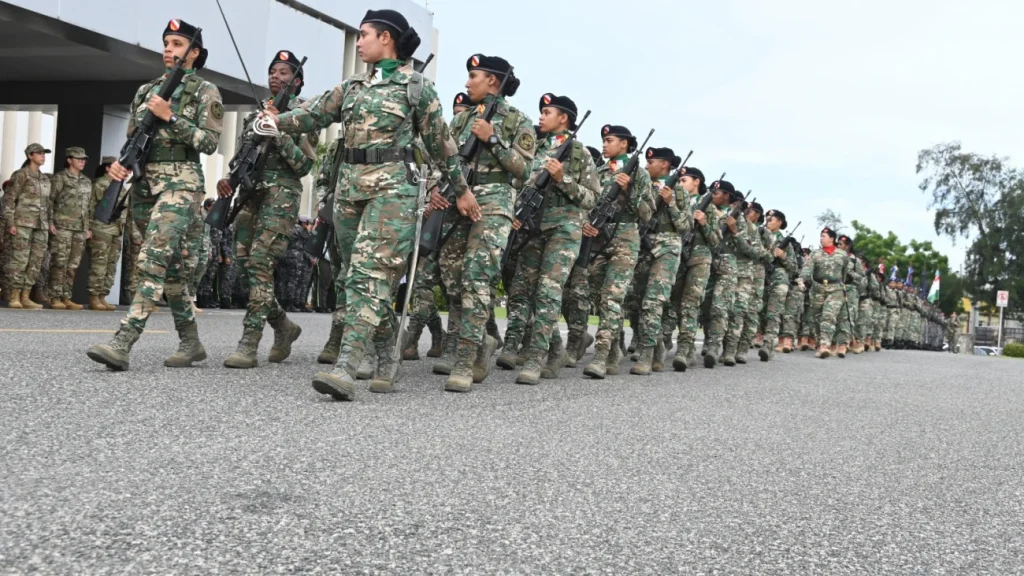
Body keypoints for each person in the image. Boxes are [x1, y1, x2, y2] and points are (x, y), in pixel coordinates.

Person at [267, 9, 473, 401]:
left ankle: (345, 366)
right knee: (351, 275)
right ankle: (386, 351)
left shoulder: (416, 88)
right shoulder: (353, 86)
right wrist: (276, 122)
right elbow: (312, 115)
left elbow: (441, 145)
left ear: (386, 39)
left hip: (394, 189)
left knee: (369, 274)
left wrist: (460, 189)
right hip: (350, 188)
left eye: (364, 35)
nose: (359, 42)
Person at [87, 19, 223, 371]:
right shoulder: (146, 90)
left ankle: (123, 341)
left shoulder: (205, 91)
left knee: (153, 259)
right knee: (172, 269)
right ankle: (191, 342)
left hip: (181, 184)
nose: (168, 49)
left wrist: (171, 116)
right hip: (145, 185)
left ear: (194, 52)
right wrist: (120, 166)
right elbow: (134, 141)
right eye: (166, 43)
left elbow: (209, 143)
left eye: (177, 44)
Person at [436, 54, 533, 392]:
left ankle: (464, 363)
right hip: (457, 198)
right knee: (452, 278)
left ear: (493, 80)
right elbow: (444, 158)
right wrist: (438, 188)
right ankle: (481, 343)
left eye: (473, 76)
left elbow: (524, 170)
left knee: (477, 277)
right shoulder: (461, 121)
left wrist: (493, 139)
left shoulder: (518, 120)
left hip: (493, 203)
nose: (466, 83)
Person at [220, 50, 318, 368]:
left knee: (261, 264)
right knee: (246, 266)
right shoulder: (255, 115)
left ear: (297, 81)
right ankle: (283, 326)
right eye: (273, 71)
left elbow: (303, 165)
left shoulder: (302, 117)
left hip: (281, 195)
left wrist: (279, 135)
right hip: (251, 196)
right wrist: (228, 180)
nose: (276, 76)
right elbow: (242, 157)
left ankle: (249, 343)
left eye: (284, 72)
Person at [501, 93, 599, 384]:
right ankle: (556, 348)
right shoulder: (537, 147)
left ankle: (536, 357)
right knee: (521, 288)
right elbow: (519, 182)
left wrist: (562, 179)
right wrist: (516, 210)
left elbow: (592, 197)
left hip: (565, 228)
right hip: (533, 226)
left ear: (564, 118)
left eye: (547, 112)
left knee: (548, 290)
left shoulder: (580, 153)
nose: (541, 116)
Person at [581, 124, 653, 379]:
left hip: (625, 238)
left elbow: (646, 214)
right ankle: (613, 350)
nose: (604, 144)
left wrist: (629, 190)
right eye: (603, 139)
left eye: (610, 140)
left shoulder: (640, 174)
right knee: (601, 297)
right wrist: (585, 224)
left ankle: (601, 356)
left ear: (624, 144)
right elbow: (586, 201)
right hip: (599, 239)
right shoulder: (597, 170)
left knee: (612, 297)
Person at [629, 148, 690, 375]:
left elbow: (685, 226)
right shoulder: (643, 184)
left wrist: (671, 203)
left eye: (651, 162)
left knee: (654, 301)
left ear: (665, 165)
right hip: (644, 245)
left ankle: (646, 355)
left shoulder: (679, 192)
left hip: (668, 247)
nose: (647, 166)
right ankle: (656, 346)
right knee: (636, 300)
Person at [3, 143, 53, 310]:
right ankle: (14, 295)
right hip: (22, 223)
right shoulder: (21, 175)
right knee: (20, 260)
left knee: (35, 261)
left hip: (41, 225)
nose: (43, 156)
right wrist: (10, 222)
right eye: (39, 153)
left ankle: (26, 295)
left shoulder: (45, 178)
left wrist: (49, 223)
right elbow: (10, 199)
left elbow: (48, 204)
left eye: (44, 153)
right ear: (30, 155)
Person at [700, 183, 744, 368]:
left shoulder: (738, 218)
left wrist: (735, 231)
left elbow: (751, 249)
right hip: (707, 261)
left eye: (716, 193)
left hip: (727, 265)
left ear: (726, 195)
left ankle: (714, 347)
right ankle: (709, 340)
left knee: (720, 307)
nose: (712, 195)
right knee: (705, 306)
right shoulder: (707, 211)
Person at [47, 147, 93, 310]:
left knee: (73, 265)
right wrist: (50, 222)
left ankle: (66, 296)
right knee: (59, 262)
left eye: (84, 159)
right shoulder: (60, 178)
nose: (82, 161)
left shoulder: (86, 181)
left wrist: (87, 227)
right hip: (62, 227)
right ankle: (54, 296)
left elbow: (88, 207)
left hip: (79, 229)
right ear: (69, 160)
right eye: (79, 158)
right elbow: (50, 201)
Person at [796, 227, 851, 359]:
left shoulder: (842, 255)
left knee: (828, 316)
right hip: (818, 289)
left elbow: (844, 274)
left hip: (835, 289)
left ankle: (825, 345)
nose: (821, 238)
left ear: (832, 238)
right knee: (817, 318)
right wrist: (802, 279)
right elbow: (808, 269)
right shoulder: (815, 254)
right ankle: (820, 344)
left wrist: (840, 284)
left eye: (824, 236)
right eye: (820, 236)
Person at [758, 209, 797, 361]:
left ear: (779, 222)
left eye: (771, 219)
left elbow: (793, 268)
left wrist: (783, 256)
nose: (767, 221)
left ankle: (768, 346)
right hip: (761, 278)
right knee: (758, 311)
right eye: (766, 218)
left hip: (779, 279)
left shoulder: (786, 243)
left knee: (773, 313)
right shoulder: (760, 236)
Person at [87, 156, 125, 311]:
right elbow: (90, 207)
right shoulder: (100, 184)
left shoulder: (119, 185)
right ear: (108, 168)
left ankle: (103, 296)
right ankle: (94, 297)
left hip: (116, 230)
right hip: (101, 229)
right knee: (99, 265)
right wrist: (88, 227)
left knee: (110, 265)